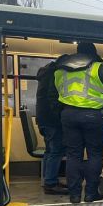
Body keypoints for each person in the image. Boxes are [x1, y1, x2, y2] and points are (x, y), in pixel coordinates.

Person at [50, 42, 103, 203]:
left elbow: (54, 93)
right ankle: (91, 193)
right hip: (93, 115)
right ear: (94, 53)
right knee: (95, 154)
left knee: (73, 155)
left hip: (68, 115)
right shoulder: (99, 68)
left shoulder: (60, 70)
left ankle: (75, 195)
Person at [35, 56, 69, 195]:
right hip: (52, 120)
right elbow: (53, 99)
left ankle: (49, 180)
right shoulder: (55, 74)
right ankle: (50, 183)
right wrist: (61, 116)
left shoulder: (46, 73)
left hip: (43, 118)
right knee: (56, 151)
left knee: (50, 151)